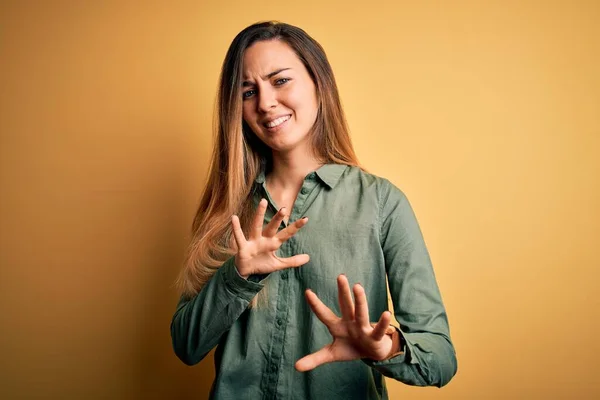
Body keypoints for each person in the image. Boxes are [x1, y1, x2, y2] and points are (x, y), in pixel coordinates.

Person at [171, 21, 457, 399]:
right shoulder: (228, 210)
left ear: (318, 83)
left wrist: (383, 348)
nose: (265, 103)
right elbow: (186, 345)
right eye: (248, 91)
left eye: (280, 81)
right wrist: (237, 274)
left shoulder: (382, 203)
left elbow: (439, 358)